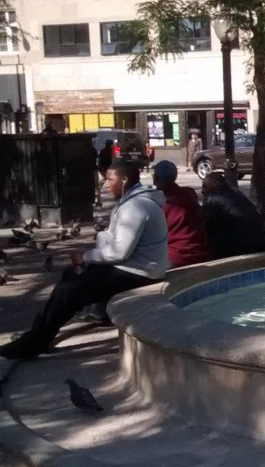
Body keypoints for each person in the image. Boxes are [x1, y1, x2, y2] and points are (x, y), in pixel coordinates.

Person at [1, 160, 168, 360]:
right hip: (134, 268)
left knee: (69, 290)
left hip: (139, 273)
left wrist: (85, 256)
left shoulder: (136, 206)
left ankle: (34, 343)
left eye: (109, 179)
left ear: (124, 180)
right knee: (70, 276)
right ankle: (38, 335)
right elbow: (112, 240)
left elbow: (118, 252)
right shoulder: (132, 202)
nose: (105, 185)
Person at [201, 173, 265, 258]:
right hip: (264, 242)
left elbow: (207, 227)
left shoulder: (212, 199)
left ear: (213, 187)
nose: (202, 190)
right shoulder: (235, 193)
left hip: (245, 246)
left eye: (205, 186)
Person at [152, 160, 210, 268]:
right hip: (200, 251)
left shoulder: (163, 204)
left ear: (157, 178)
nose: (154, 180)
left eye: (155, 176)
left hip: (177, 255)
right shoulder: (188, 196)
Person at [95, 139, 114, 207]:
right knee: (102, 181)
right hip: (105, 168)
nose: (113, 146)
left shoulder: (106, 151)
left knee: (104, 181)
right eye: (112, 144)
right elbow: (104, 161)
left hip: (106, 168)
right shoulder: (107, 151)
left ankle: (99, 196)